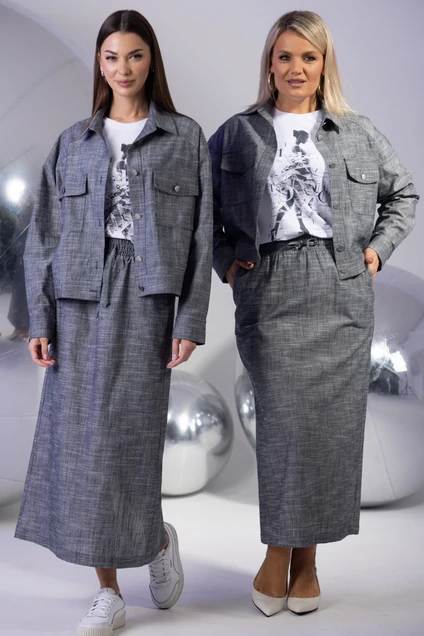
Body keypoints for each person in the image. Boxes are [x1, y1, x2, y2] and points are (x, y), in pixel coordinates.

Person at [209, 10, 418, 617]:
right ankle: (279, 551)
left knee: (329, 432)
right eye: (285, 56)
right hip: (270, 288)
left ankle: (307, 562)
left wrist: (377, 249)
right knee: (283, 427)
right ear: (270, 64)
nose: (296, 68)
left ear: (324, 64)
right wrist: (225, 263)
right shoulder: (238, 133)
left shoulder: (357, 131)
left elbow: (404, 193)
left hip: (340, 290)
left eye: (308, 56)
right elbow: (201, 213)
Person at [15, 9, 212, 635]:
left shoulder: (185, 138)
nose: (122, 69)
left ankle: (155, 540)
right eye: (110, 57)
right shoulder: (72, 142)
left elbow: (202, 236)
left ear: (150, 60)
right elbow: (42, 237)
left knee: (129, 441)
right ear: (100, 65)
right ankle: (108, 591)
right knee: (81, 445)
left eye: (133, 55)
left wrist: (191, 318)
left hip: (148, 300)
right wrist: (38, 318)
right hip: (77, 300)